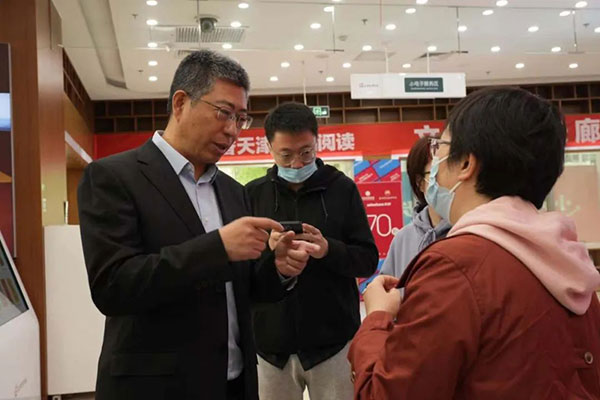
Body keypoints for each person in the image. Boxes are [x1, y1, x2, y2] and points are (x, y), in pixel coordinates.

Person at [78, 50, 318, 400]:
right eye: (223, 113)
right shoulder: (113, 177)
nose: (233, 130)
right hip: (156, 389)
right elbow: (112, 287)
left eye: (241, 118)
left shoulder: (233, 191)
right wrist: (217, 247)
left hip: (234, 383)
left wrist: (278, 269)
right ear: (180, 103)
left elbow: (243, 289)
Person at [348, 87, 600, 399]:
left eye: (440, 147)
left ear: (466, 163)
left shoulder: (454, 266)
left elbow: (385, 394)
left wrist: (377, 318)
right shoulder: (568, 258)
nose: (435, 162)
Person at [245, 102, 378, 400]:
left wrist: (329, 249)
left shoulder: (342, 189)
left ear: (317, 142)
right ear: (269, 147)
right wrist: (270, 254)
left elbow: (367, 260)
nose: (296, 164)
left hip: (334, 344)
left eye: (306, 152)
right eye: (286, 155)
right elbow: (241, 269)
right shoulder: (253, 194)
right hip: (270, 347)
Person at [380, 137, 451, 278]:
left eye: (451, 171)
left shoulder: (469, 231)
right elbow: (387, 285)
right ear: (420, 182)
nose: (448, 180)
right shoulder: (403, 239)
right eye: (437, 173)